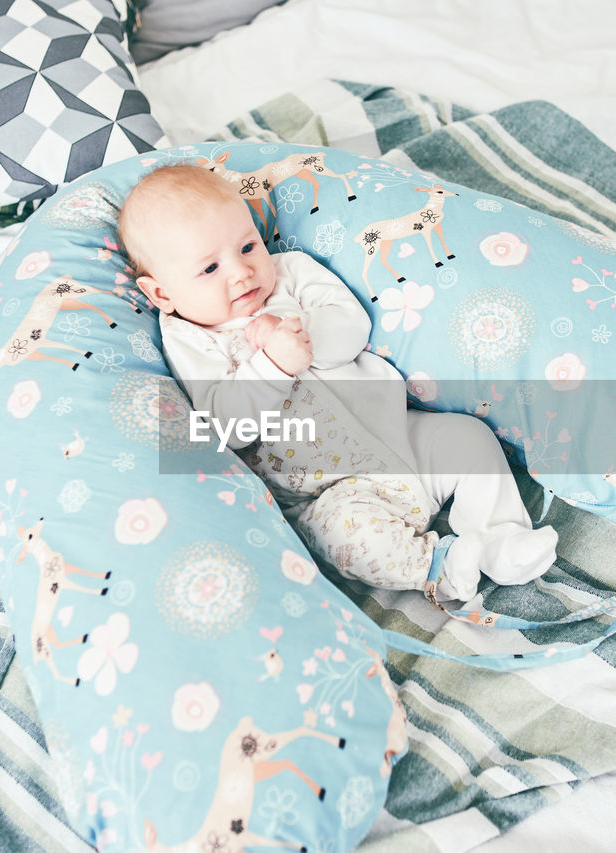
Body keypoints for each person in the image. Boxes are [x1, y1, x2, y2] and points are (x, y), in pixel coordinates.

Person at [118, 164, 557, 601]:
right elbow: (226, 428)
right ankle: (440, 567)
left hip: (399, 434)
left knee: (470, 438)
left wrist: (299, 329)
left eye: (248, 246)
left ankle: (501, 538)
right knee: (344, 539)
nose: (242, 272)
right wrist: (272, 364)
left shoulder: (290, 272)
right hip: (329, 493)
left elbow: (353, 327)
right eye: (210, 268)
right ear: (162, 294)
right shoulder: (189, 340)